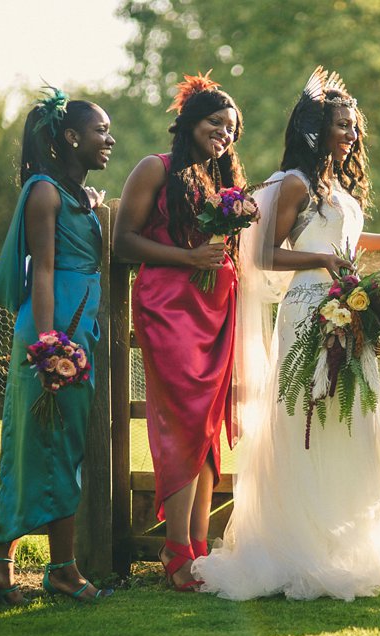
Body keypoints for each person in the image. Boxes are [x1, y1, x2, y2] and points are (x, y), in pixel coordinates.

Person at [191, 67, 380, 601]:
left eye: (354, 125)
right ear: (317, 129)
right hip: (306, 308)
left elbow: (349, 238)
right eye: (343, 124)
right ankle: (296, 542)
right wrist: (323, 259)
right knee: (308, 416)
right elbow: (264, 253)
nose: (352, 134)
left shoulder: (336, 186)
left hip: (346, 305)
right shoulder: (293, 182)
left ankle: (339, 543)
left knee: (349, 417)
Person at [111, 72, 245, 592]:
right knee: (183, 419)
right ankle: (175, 550)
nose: (224, 134)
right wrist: (190, 257)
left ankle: (197, 546)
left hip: (216, 306)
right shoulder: (155, 168)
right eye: (215, 123)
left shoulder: (222, 181)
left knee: (207, 425)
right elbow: (125, 242)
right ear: (190, 123)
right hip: (168, 305)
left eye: (231, 128)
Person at [0, 88, 115, 603]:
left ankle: (34, 566)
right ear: (70, 136)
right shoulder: (44, 192)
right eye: (101, 131)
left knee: (65, 448)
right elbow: (42, 272)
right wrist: (47, 346)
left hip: (78, 330)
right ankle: (33, 566)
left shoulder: (78, 196)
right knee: (34, 448)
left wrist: (95, 209)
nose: (110, 139)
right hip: (53, 332)